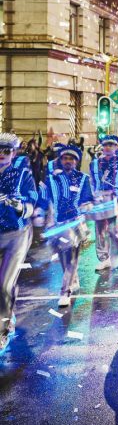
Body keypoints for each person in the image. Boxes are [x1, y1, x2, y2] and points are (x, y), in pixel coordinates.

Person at [42, 145, 93, 307]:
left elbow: (87, 198)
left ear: (76, 161)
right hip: (57, 224)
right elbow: (45, 199)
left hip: (75, 224)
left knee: (71, 258)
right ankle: (73, 279)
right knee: (64, 259)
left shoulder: (83, 178)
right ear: (60, 160)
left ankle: (65, 291)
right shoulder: (52, 179)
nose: (68, 161)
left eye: (71, 158)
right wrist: (41, 214)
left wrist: (87, 206)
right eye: (65, 158)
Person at [0, 133, 37, 352]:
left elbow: (32, 200)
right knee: (5, 286)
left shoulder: (22, 174)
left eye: (6, 151)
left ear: (13, 154)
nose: (1, 156)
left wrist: (20, 207)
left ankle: (3, 331)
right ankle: (8, 312)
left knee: (3, 285)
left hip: (17, 233)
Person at [88, 135, 118, 271]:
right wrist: (92, 195)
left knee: (113, 229)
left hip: (113, 198)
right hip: (99, 199)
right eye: (105, 145)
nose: (108, 148)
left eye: (111, 145)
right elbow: (91, 182)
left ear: (115, 147)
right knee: (99, 230)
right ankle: (104, 259)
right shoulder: (94, 163)